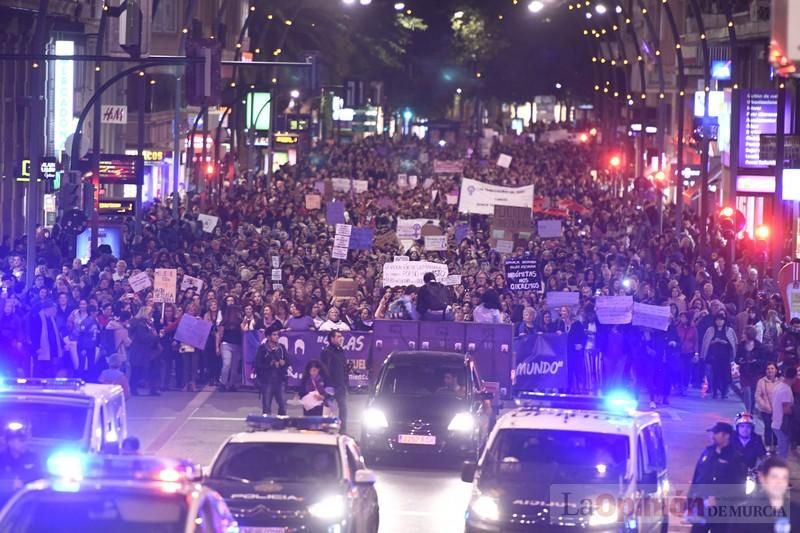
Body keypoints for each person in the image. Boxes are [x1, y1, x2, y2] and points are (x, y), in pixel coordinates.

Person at [688, 422, 748, 533]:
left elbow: (738, 488)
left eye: (716, 433)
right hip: (701, 506)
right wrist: (690, 502)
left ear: (726, 436)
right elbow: (697, 477)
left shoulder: (735, 458)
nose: (713, 436)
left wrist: (719, 500)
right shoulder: (707, 452)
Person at [730, 457, 799, 533]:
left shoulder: (796, 512)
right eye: (774, 477)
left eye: (784, 478)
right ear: (763, 478)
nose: (780, 482)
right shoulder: (743, 513)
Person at [0, 423, 41, 505]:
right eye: (21, 441)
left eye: (25, 440)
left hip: (28, 503)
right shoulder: (2, 459)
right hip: (4, 502)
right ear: (10, 442)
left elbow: (40, 479)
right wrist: (9, 484)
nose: (25, 443)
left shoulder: (32, 458)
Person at [700, 313, 738, 399]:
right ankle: (715, 392)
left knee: (725, 375)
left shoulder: (729, 330)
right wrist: (713, 342)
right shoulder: (710, 330)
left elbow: (734, 343)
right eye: (717, 320)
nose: (719, 322)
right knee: (715, 374)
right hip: (714, 356)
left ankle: (724, 392)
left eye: (721, 320)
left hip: (725, 356)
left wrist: (725, 342)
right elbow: (706, 342)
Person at [253, 328, 290, 415]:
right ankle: (266, 424)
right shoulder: (262, 349)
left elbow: (288, 361)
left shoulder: (281, 347)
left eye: (277, 335)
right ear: (268, 337)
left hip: (280, 380)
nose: (277, 336)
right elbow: (257, 364)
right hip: (267, 381)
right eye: (274, 335)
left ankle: (281, 423)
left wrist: (283, 362)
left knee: (282, 405)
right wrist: (270, 364)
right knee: (266, 406)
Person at [27, 299, 64, 377]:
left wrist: (63, 345)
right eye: (53, 309)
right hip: (40, 350)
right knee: (39, 369)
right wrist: (36, 348)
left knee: (49, 370)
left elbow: (56, 333)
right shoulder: (37, 318)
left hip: (50, 350)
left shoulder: (52, 319)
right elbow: (34, 335)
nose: (55, 311)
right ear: (47, 309)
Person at [321, 330, 349, 431]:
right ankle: (325, 431)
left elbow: (343, 368)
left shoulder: (341, 351)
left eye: (341, 336)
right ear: (331, 339)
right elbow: (325, 369)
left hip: (341, 385)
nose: (340, 338)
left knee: (343, 409)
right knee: (328, 409)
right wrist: (328, 385)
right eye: (338, 336)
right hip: (331, 386)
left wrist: (346, 381)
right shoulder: (327, 352)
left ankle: (343, 431)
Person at [735, 325, 767, 414]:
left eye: (744, 334)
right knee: (746, 391)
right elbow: (736, 358)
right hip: (744, 371)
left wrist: (755, 361)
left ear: (749, 334)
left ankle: (751, 410)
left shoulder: (759, 346)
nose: (742, 335)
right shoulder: (741, 345)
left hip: (755, 373)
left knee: (753, 393)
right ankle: (748, 411)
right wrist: (740, 360)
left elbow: (764, 360)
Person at [770, 366, 796, 458]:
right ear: (794, 377)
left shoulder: (778, 387)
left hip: (776, 421)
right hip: (781, 425)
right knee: (783, 451)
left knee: (781, 449)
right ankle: (779, 469)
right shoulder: (786, 390)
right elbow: (786, 410)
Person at [754, 362, 780, 451]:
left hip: (778, 411)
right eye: (768, 369)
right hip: (766, 410)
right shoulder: (761, 382)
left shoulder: (781, 381)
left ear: (776, 370)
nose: (770, 370)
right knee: (768, 428)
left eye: (772, 368)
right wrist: (765, 406)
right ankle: (768, 446)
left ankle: (776, 446)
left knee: (777, 428)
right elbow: (757, 396)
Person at [217, 304, 243, 392]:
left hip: (237, 345)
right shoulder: (224, 322)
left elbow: (244, 331)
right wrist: (217, 346)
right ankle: (223, 383)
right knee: (227, 364)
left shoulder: (240, 321)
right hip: (226, 344)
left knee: (234, 366)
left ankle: (231, 384)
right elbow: (219, 335)